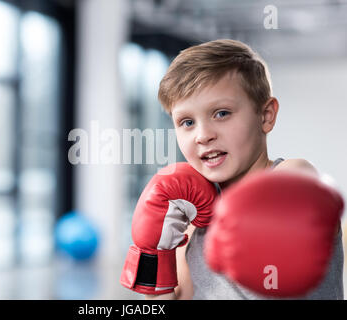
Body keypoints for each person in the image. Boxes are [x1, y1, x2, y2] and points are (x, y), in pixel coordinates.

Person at [123, 39, 344, 300]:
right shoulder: (194, 223)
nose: (203, 135)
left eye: (221, 113)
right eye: (187, 122)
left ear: (266, 115)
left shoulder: (291, 174)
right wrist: (156, 253)